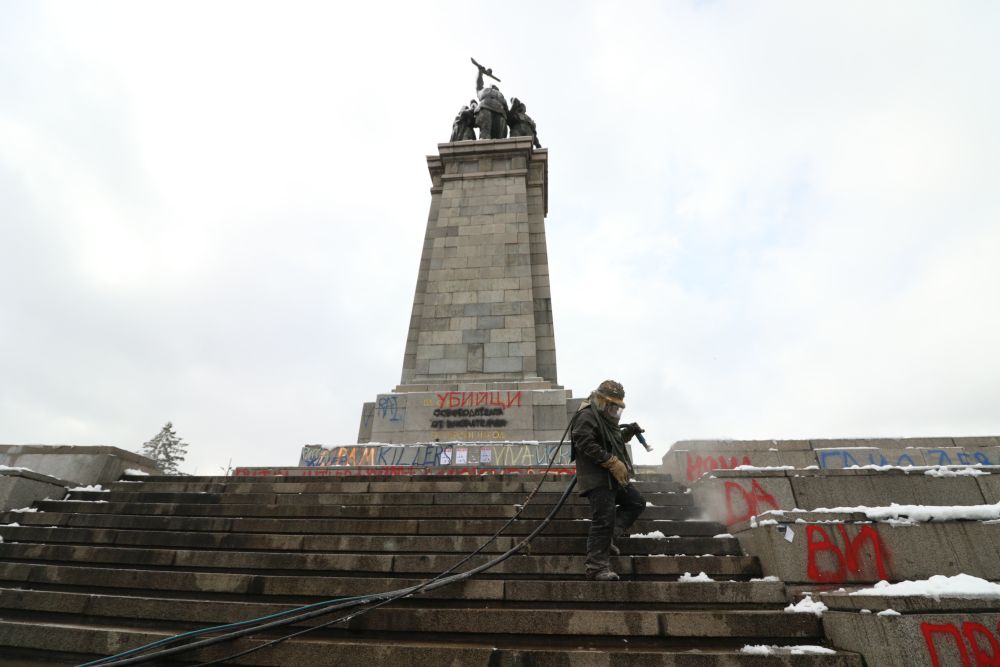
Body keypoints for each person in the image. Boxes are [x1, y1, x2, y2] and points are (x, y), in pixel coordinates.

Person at [570, 379, 646, 581]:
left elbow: (610, 441)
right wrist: (610, 461)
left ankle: (610, 536)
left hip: (613, 478)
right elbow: (584, 440)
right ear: (601, 401)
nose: (614, 410)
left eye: (617, 406)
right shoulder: (586, 415)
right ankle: (596, 567)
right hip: (596, 477)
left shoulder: (605, 419)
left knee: (636, 502)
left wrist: (627, 433)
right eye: (611, 405)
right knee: (603, 519)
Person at [474, 66, 508, 139]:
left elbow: (507, 110)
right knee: (485, 133)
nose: (494, 87)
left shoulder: (501, 96)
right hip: (485, 108)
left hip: (500, 112)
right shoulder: (484, 90)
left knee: (499, 136)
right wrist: (480, 72)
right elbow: (479, 84)